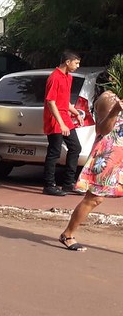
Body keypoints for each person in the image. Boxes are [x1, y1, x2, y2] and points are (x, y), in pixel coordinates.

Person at [59, 86, 123, 251]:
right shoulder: (108, 98)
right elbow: (102, 129)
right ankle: (68, 234)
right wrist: (116, 110)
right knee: (94, 198)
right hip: (108, 154)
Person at [43, 51, 83, 196]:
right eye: (76, 63)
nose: (77, 66)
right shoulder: (55, 77)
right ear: (67, 62)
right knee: (54, 151)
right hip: (55, 119)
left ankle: (68, 183)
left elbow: (64, 100)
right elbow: (51, 102)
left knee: (75, 147)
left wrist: (76, 113)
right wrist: (61, 124)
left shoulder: (68, 77)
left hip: (65, 118)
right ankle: (49, 185)